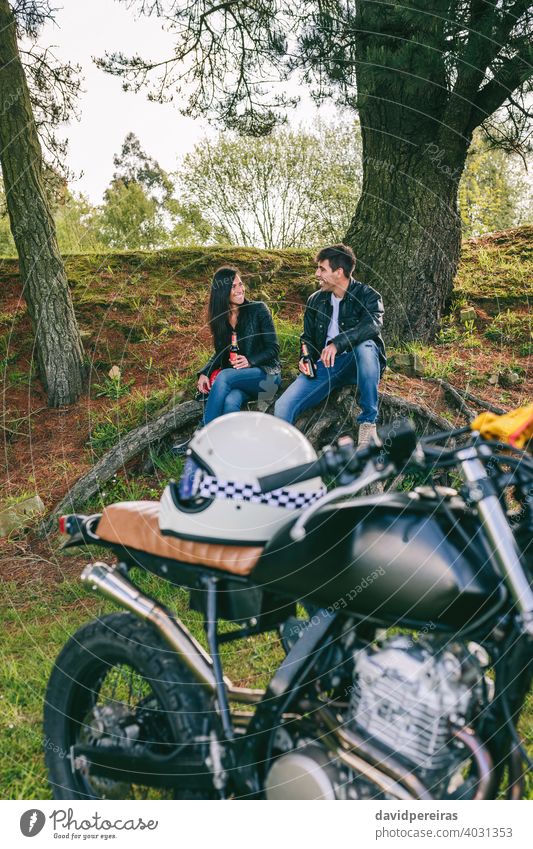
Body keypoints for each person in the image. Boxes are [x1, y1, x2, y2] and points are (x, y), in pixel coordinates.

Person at [274, 244, 386, 445]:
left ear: (339, 272)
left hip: (357, 364)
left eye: (322, 269)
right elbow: (306, 337)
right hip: (326, 366)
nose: (317, 274)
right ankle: (282, 455)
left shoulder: (368, 295)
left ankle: (368, 424)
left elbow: (372, 325)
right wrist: (305, 357)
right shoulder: (315, 300)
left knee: (366, 346)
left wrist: (338, 344)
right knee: (283, 406)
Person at [197, 266, 281, 425]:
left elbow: (274, 349)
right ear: (222, 291)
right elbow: (220, 353)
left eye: (240, 284)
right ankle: (228, 445)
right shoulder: (220, 320)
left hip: (268, 379)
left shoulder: (258, 309)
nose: (240, 289)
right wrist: (204, 372)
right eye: (233, 286)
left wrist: (249, 361)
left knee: (224, 376)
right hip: (241, 381)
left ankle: (203, 435)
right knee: (230, 402)